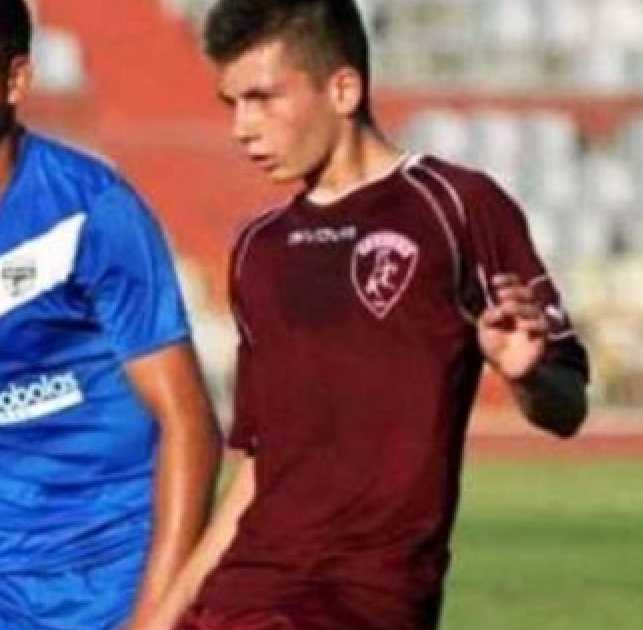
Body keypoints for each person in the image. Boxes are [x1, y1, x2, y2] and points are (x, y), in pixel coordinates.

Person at [147, 1, 589, 629]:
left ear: (343, 89)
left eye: (264, 99)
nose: (243, 128)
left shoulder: (457, 207)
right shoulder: (259, 251)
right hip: (248, 591)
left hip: (365, 601)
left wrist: (528, 375)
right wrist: (161, 619)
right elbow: (262, 468)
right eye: (233, 104)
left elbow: (566, 409)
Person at [0, 1, 221, 629]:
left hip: (120, 578)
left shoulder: (93, 210)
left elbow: (189, 423)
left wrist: (156, 613)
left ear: (15, 80)